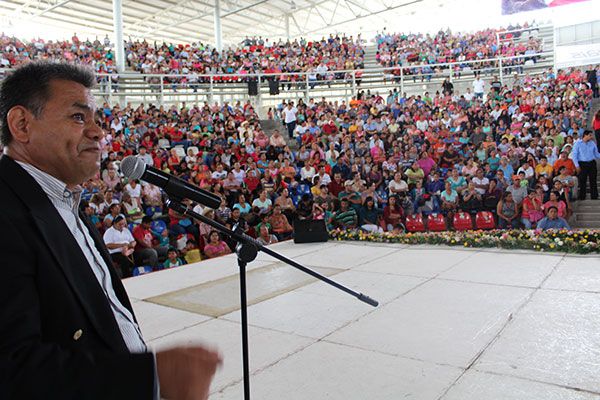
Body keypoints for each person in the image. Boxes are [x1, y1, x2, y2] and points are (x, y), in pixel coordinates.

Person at [0, 62, 220, 399]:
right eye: (78, 117)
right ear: (21, 124)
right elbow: (12, 368)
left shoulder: (64, 200)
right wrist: (150, 377)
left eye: (94, 118)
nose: (98, 132)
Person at [571, 130, 600, 200]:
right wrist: (577, 165)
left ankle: (594, 196)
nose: (591, 137)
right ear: (585, 135)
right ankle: (582, 196)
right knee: (582, 180)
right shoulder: (577, 144)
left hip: (592, 163)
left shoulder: (592, 143)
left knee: (593, 180)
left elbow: (596, 154)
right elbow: (574, 155)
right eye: (590, 135)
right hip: (582, 163)